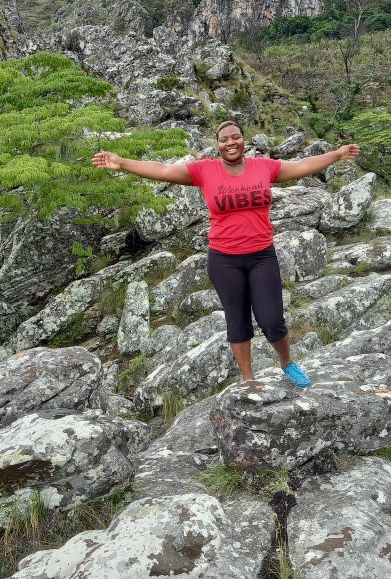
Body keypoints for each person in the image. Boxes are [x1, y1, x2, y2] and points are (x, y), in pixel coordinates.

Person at [91, 120, 361, 387]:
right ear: (217, 144)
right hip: (224, 260)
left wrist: (336, 154)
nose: (231, 143)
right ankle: (248, 379)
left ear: (244, 140)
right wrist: (122, 162)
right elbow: (162, 169)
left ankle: (287, 363)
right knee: (237, 320)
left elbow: (302, 166)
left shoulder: (263, 167)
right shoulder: (204, 171)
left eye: (236, 137)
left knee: (271, 319)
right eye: (224, 139)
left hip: (261, 256)